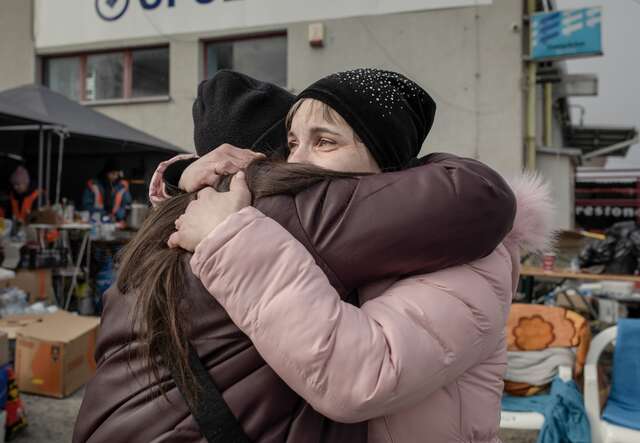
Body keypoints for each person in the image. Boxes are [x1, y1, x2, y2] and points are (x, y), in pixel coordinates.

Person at [74, 71, 518, 443]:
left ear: (389, 171)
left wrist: (210, 215)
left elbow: (363, 376)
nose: (295, 160)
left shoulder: (469, 258)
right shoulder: (327, 225)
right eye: (291, 142)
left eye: (324, 141)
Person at [82, 159, 132, 225]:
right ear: (106, 173)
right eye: (113, 173)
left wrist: (118, 216)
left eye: (117, 174)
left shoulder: (122, 187)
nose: (115, 176)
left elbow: (127, 206)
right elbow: (87, 205)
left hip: (116, 223)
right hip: (95, 222)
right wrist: (103, 214)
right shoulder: (94, 185)